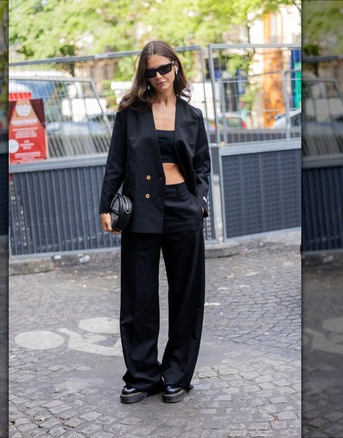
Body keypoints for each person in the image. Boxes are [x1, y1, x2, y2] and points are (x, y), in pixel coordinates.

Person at [99, 40, 211, 404]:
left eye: (165, 68)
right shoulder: (130, 112)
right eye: (151, 71)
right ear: (144, 76)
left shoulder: (192, 116)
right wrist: (105, 206)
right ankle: (142, 376)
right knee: (138, 296)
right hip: (141, 211)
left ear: (176, 68)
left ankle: (177, 374)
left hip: (183, 207)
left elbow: (202, 166)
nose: (160, 76)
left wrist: (199, 204)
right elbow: (115, 162)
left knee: (186, 295)